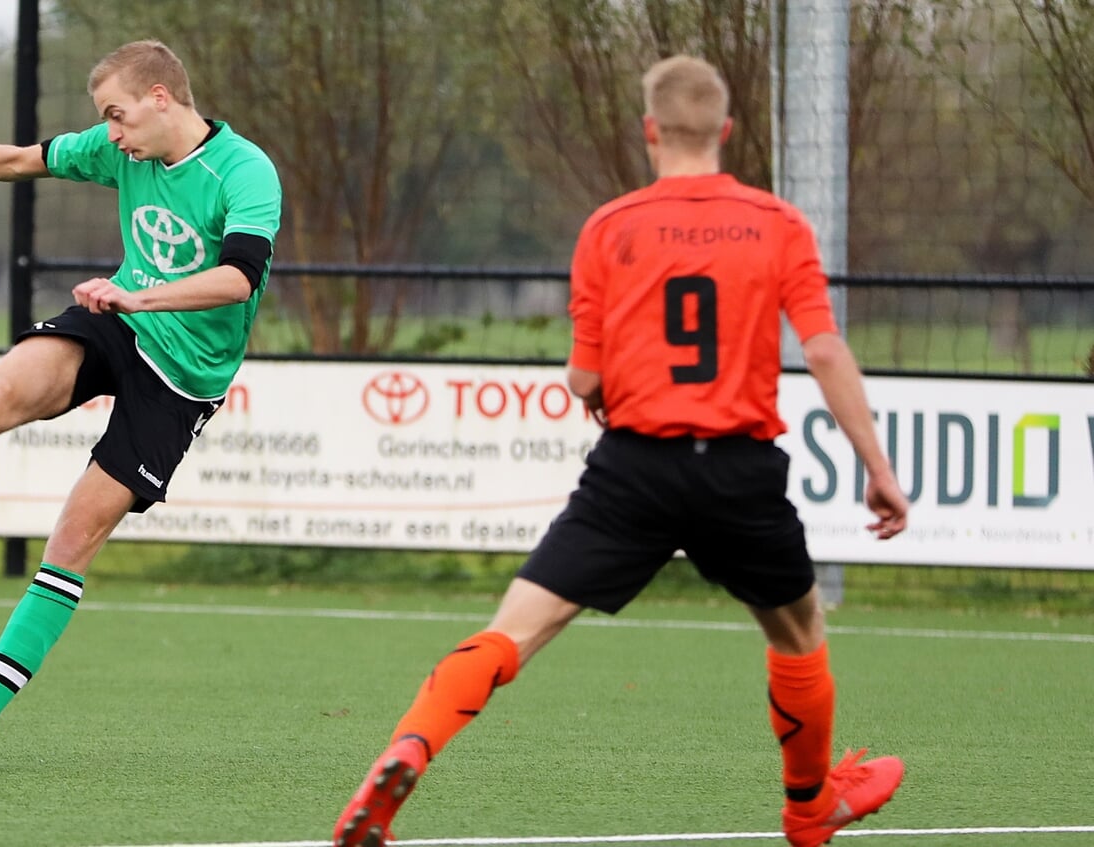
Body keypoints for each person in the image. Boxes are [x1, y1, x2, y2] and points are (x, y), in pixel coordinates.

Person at [332, 56, 910, 847]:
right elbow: (824, 353)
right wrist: (876, 469)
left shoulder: (609, 226)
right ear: (725, 132)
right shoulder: (777, 223)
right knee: (799, 629)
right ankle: (808, 809)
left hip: (633, 465)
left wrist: (605, 391)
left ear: (649, 130)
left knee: (515, 629)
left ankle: (410, 745)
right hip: (737, 468)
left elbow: (583, 376)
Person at [0, 39, 281, 773]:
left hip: (181, 379)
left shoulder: (245, 170)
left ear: (161, 98)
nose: (110, 133)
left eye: (117, 114)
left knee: (71, 538)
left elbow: (236, 278)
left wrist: (140, 292)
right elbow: (11, 160)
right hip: (116, 320)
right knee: (4, 387)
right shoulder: (121, 152)